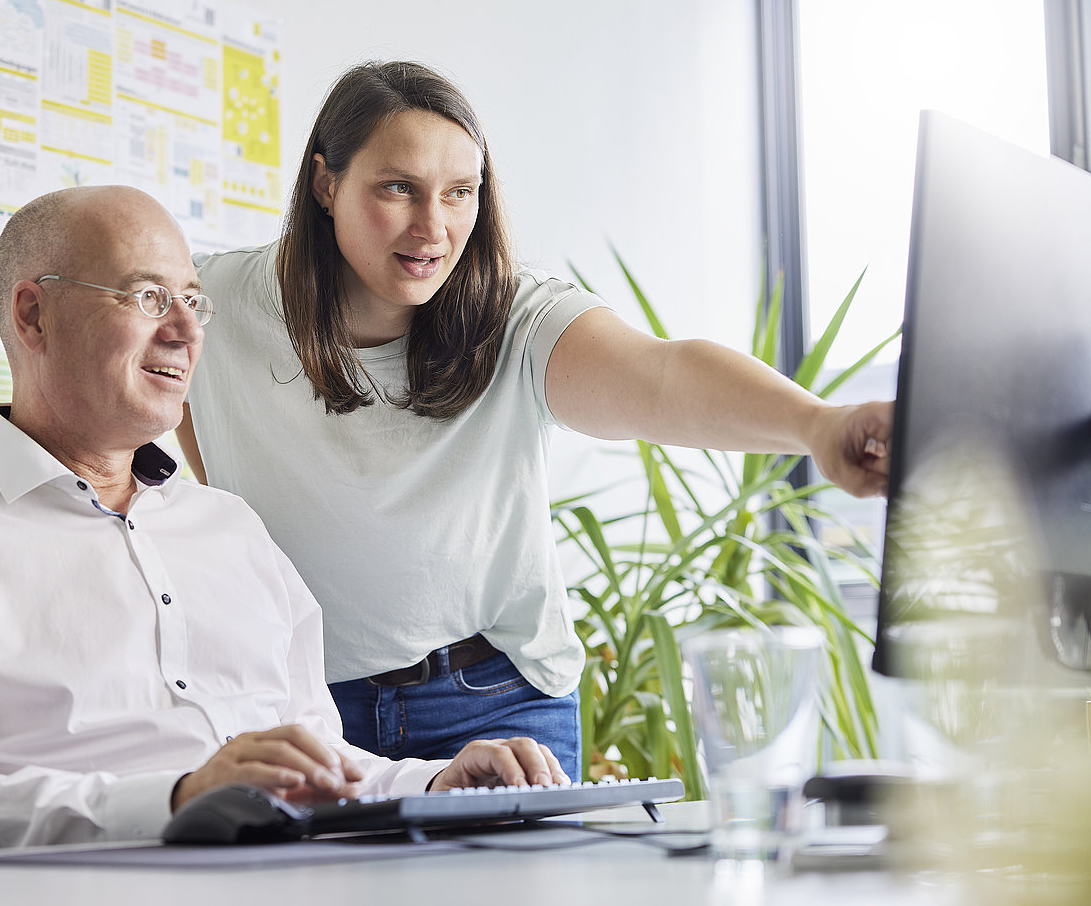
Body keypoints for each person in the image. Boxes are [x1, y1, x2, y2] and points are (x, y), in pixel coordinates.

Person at [180, 61, 894, 781]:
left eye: (459, 192)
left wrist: (817, 425)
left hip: (493, 702)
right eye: (398, 188)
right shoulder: (212, 302)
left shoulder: (517, 316)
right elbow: (175, 426)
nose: (434, 227)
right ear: (325, 183)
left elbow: (660, 375)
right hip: (302, 705)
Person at [0, 185, 568, 857]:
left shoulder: (232, 529)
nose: (185, 330)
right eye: (148, 297)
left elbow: (321, 764)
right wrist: (179, 800)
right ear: (34, 315)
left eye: (193, 301)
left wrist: (433, 784)